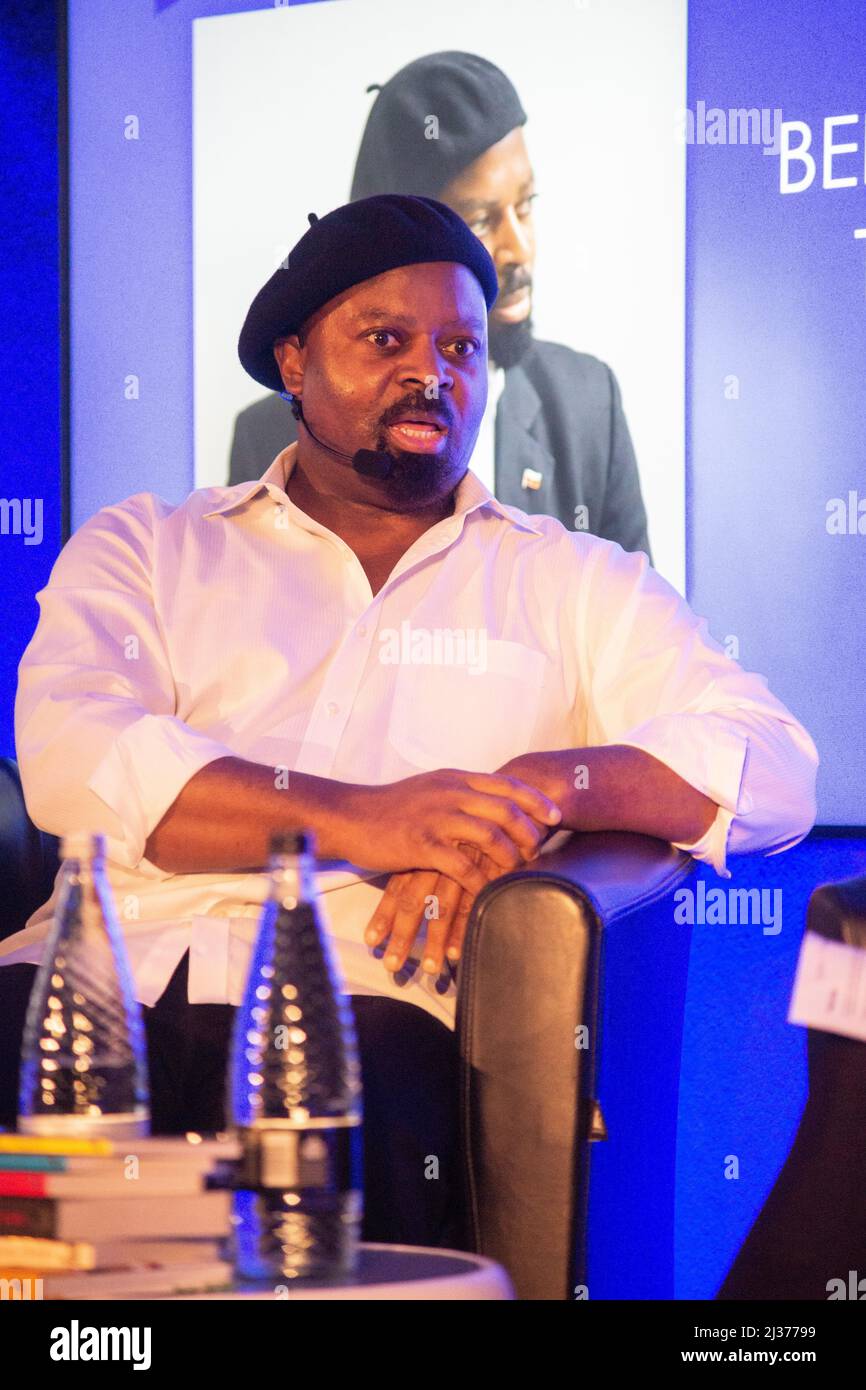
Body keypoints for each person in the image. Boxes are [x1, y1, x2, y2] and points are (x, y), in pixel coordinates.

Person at [0, 195, 817, 1253]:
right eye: (384, 340)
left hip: (361, 1019)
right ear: (293, 362)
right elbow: (76, 759)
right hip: (89, 995)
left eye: (460, 346)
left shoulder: (567, 580)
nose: (430, 372)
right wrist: (372, 820)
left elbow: (771, 763)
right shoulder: (150, 547)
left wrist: (536, 790)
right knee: (59, 1263)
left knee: (323, 1172)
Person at [228, 52, 652, 558]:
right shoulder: (271, 437)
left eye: (526, 206)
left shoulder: (587, 401)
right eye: (481, 219)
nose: (518, 250)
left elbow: (634, 608)